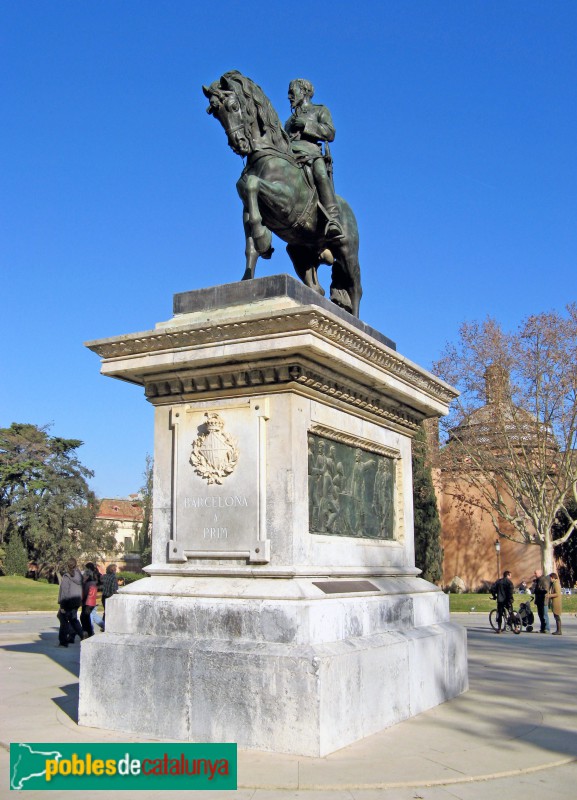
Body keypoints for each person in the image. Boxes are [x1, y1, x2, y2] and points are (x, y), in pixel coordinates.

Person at [285, 78, 344, 241]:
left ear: (304, 92)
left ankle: (333, 219)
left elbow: (330, 133)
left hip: (311, 153)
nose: (289, 96)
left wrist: (306, 125)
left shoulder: (319, 110)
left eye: (292, 92)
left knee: (320, 173)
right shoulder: (288, 122)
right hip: (291, 155)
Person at [57, 558, 84, 647]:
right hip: (76, 601)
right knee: (73, 620)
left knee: (63, 620)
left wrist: (62, 605)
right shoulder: (79, 575)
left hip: (68, 602)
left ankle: (63, 641)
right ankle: (82, 635)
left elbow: (65, 592)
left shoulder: (67, 576)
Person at [80, 563, 99, 638]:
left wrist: (87, 604)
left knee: (85, 618)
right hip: (86, 603)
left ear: (87, 576)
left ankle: (88, 632)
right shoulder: (88, 583)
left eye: (84, 575)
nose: (83, 577)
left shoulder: (91, 583)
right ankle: (88, 632)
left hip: (89, 603)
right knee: (84, 617)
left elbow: (91, 595)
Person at [533, 569, 551, 633]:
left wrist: (538, 591)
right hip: (539, 600)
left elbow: (546, 590)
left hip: (543, 600)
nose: (534, 574)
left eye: (535, 573)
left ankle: (547, 628)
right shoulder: (538, 581)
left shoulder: (544, 580)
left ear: (540, 573)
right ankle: (542, 628)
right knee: (540, 615)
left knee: (544, 615)